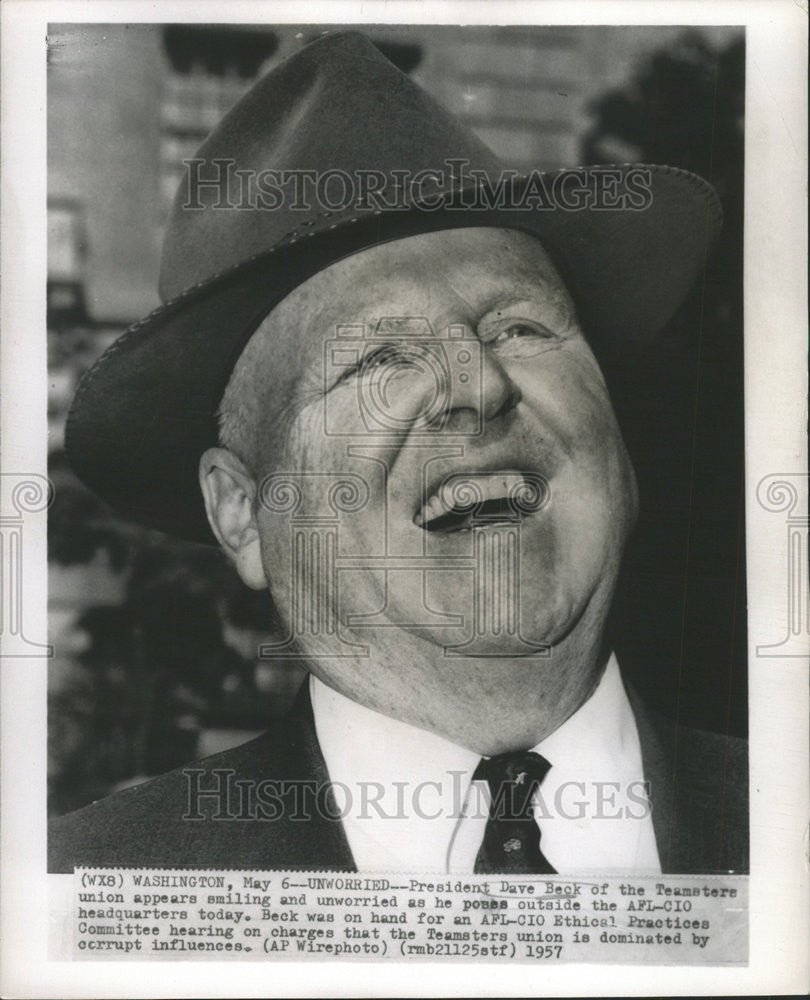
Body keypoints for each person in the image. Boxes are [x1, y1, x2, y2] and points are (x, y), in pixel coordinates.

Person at [49, 31, 747, 875]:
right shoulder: (78, 895)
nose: (477, 385)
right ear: (241, 512)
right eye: (379, 359)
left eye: (520, 328)